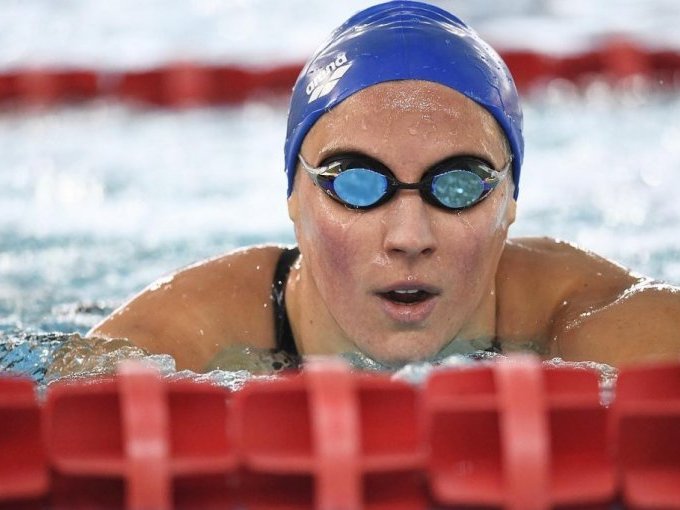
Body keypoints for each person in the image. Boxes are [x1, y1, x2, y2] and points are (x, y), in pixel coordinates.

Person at [88, 0, 680, 372]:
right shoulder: (177, 337)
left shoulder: (595, 320)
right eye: (357, 183)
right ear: (294, 199)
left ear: (509, 202)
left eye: (458, 184)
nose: (408, 236)